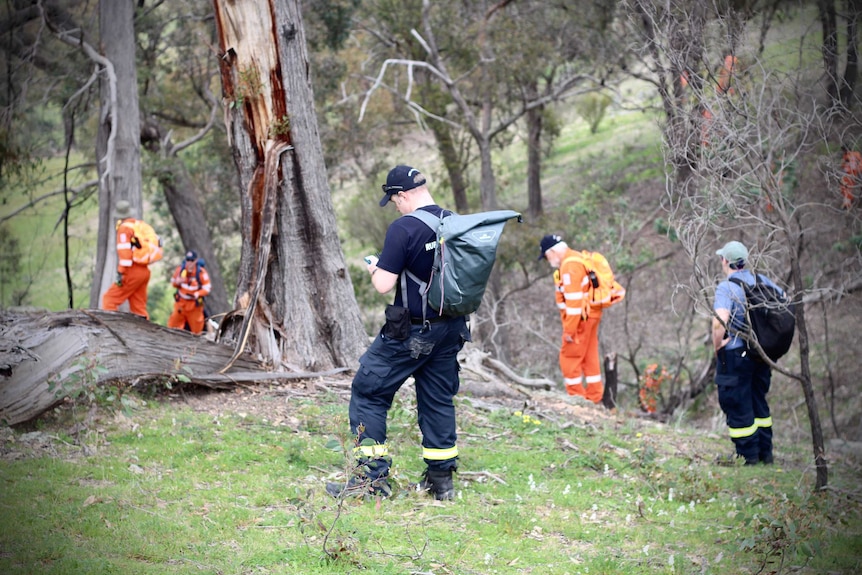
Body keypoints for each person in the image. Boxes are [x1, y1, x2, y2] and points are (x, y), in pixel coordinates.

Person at [326, 165, 471, 501]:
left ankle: (371, 483)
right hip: (451, 329)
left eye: (394, 200)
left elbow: (383, 285)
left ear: (404, 195)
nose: (395, 206)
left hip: (412, 332)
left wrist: (374, 266)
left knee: (368, 392)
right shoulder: (455, 221)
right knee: (436, 399)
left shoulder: (403, 229)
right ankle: (441, 484)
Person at [712, 240, 779, 465]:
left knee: (736, 401)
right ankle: (765, 454)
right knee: (758, 401)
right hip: (761, 354)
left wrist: (717, 344)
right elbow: (785, 305)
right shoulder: (764, 282)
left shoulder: (727, 287)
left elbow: (718, 322)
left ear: (725, 261)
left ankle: (747, 457)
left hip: (736, 354)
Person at [538, 234, 605, 404]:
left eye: (546, 257)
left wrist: (569, 330)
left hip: (580, 319)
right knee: (589, 355)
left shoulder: (570, 266)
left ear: (552, 251)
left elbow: (574, 303)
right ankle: (594, 396)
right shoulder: (577, 258)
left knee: (569, 356)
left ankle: (576, 398)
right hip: (590, 315)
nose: (548, 261)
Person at [101, 200, 154, 319]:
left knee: (109, 299)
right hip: (144, 272)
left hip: (132, 272)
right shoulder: (137, 225)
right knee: (139, 308)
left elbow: (125, 255)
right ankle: (145, 334)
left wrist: (121, 273)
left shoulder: (124, 229)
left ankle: (112, 330)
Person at [167, 250, 211, 334]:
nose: (189, 263)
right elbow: (173, 282)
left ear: (196, 261)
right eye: (188, 260)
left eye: (192, 260)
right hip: (181, 303)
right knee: (173, 325)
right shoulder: (180, 270)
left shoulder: (201, 273)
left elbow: (207, 288)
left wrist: (198, 293)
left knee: (197, 328)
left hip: (194, 305)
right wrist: (178, 282)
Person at [840, 145, 861, 210]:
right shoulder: (846, 156)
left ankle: (847, 203)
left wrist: (858, 170)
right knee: (844, 187)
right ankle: (846, 202)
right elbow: (843, 165)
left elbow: (860, 163)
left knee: (847, 187)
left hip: (852, 174)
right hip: (847, 174)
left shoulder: (855, 154)